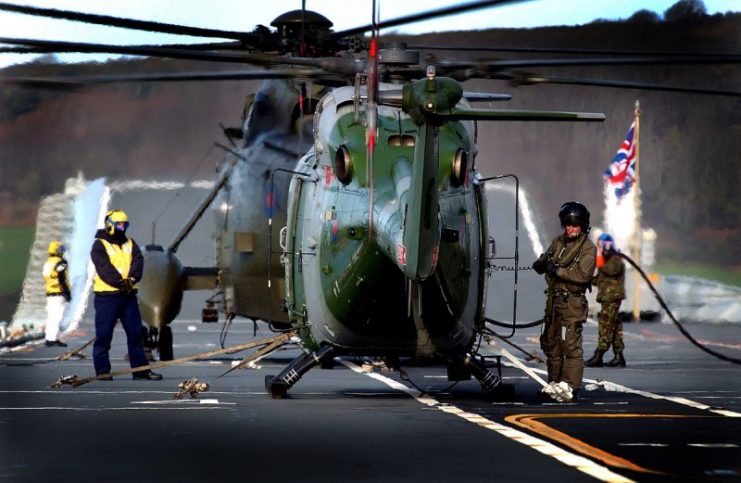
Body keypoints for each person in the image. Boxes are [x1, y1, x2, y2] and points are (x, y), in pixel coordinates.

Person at [532, 201, 596, 402]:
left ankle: (570, 387)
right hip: (554, 301)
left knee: (570, 345)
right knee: (552, 343)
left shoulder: (588, 249)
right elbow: (547, 257)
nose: (570, 229)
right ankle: (554, 383)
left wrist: (556, 270)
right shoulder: (559, 241)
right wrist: (542, 264)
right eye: (567, 225)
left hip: (571, 303)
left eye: (575, 225)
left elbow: (582, 275)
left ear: (583, 226)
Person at [90, 209, 162, 381]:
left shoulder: (130, 243)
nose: (122, 228)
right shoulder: (100, 245)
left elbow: (138, 262)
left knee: (136, 334)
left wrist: (132, 279)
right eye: (119, 224)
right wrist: (119, 282)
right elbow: (104, 268)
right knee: (104, 335)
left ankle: (141, 371)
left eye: (124, 224)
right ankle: (103, 371)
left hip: (128, 296)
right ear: (110, 225)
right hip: (107, 296)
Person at [585, 233, 627, 368]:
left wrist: (600, 257)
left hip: (612, 298)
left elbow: (611, 271)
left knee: (605, 325)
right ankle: (619, 356)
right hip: (608, 297)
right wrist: (586, 280)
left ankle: (599, 354)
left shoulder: (615, 259)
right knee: (614, 326)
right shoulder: (608, 259)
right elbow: (601, 279)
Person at [43, 240, 70, 347]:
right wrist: (67, 292)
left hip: (49, 292)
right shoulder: (61, 262)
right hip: (58, 292)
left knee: (51, 316)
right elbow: (61, 278)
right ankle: (53, 338)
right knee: (57, 316)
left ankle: (49, 338)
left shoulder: (48, 263)